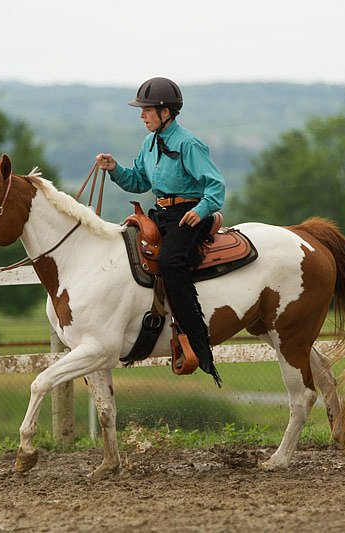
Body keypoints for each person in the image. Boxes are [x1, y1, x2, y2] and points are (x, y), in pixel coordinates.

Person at [96, 77, 225, 385]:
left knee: (170, 262)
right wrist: (114, 168)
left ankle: (196, 339)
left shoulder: (189, 144)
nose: (142, 116)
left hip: (189, 215)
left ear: (165, 111)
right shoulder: (149, 143)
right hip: (163, 214)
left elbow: (215, 185)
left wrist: (201, 210)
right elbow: (139, 181)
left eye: (147, 111)